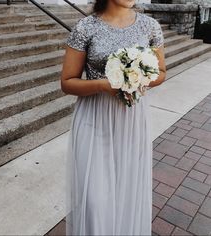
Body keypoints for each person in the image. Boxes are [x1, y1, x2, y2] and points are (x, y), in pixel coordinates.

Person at [61, 0, 166, 235]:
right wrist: (103, 84)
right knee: (95, 199)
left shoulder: (150, 26)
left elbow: (161, 72)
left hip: (132, 120)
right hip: (94, 116)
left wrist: (137, 77)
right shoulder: (85, 27)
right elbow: (67, 82)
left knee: (127, 191)